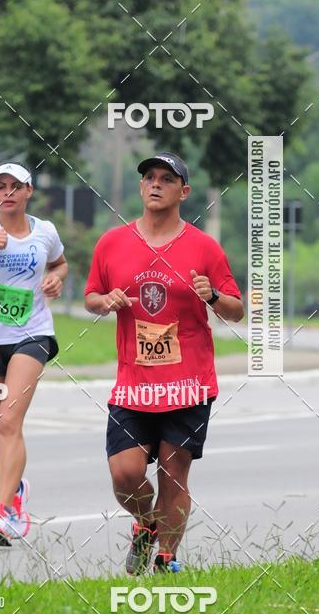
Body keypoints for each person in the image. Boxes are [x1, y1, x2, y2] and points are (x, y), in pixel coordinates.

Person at [84, 152, 243, 574]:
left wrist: (211, 295)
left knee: (174, 476)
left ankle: (166, 559)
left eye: (166, 179)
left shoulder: (204, 246)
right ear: (141, 187)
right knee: (125, 472)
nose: (155, 184)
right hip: (134, 384)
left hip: (187, 382)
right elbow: (91, 297)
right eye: (149, 178)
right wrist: (106, 301)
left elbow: (235, 310)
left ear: (183, 192)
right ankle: (145, 523)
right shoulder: (112, 243)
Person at [0, 162, 68, 546]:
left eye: (15, 186)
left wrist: (56, 279)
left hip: (32, 334)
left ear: (28, 191)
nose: (8, 192)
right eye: (0, 186)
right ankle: (16, 495)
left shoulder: (45, 231)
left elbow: (59, 263)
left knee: (9, 422)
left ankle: (4, 510)